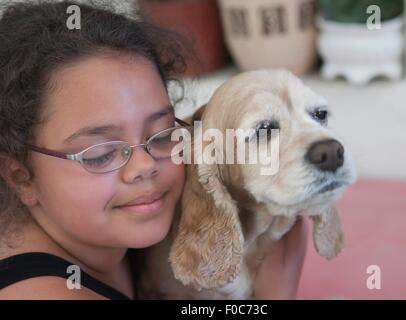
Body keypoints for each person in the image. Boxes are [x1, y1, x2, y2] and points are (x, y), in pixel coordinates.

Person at [0, 1, 307, 300]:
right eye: (102, 153)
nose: (145, 165)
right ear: (20, 176)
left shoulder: (103, 224)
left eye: (160, 134)